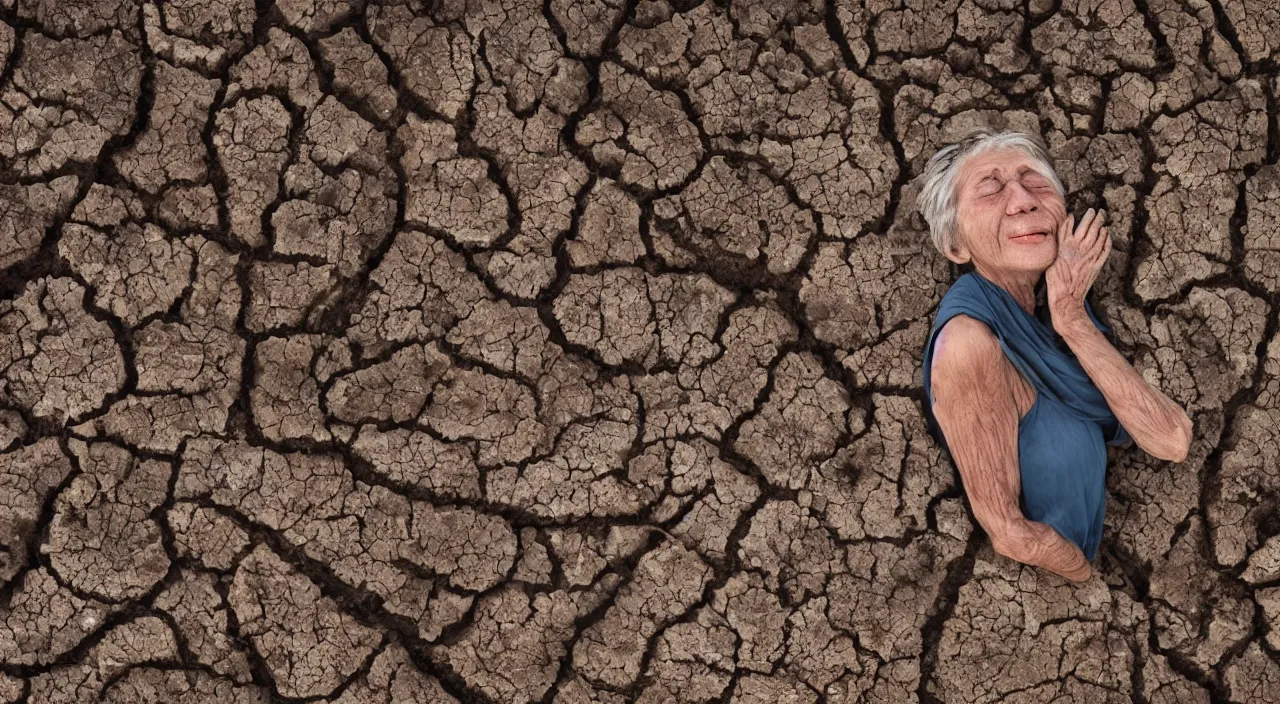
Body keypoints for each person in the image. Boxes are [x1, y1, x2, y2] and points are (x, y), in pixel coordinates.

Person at [917, 129, 1194, 583]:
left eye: (1038, 184)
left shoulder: (1057, 312)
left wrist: (1071, 318)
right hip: (1049, 596)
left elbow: (1171, 440)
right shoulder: (969, 345)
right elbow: (1009, 533)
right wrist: (1083, 581)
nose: (1023, 200)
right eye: (991, 189)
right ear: (956, 246)